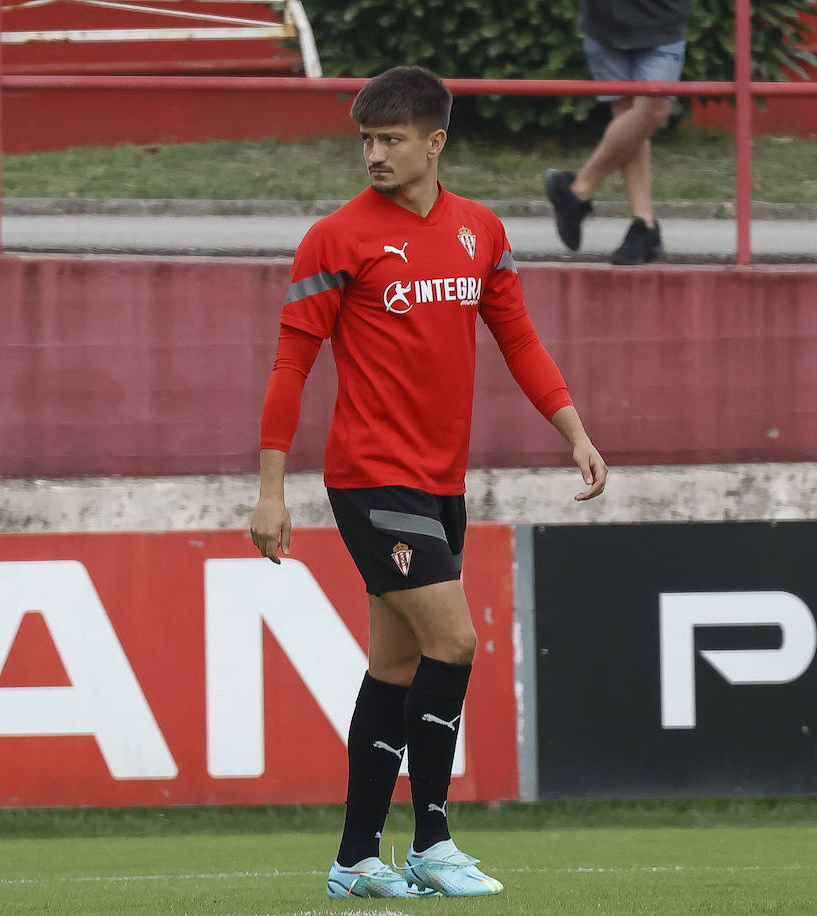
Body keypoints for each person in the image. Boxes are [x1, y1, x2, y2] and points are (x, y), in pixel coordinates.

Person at [249, 66, 607, 899]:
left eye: (391, 139)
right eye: (366, 140)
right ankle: (433, 840)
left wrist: (574, 430)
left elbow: (519, 340)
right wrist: (271, 491)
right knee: (457, 643)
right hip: (371, 481)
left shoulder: (480, 231)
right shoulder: (335, 238)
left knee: (399, 664)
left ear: (434, 142)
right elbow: (290, 366)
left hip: (443, 484)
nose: (373, 154)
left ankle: (353, 860)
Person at [545, 0, 691, 265]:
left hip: (663, 20)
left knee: (653, 110)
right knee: (628, 119)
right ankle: (644, 224)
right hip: (604, 21)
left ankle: (579, 187)